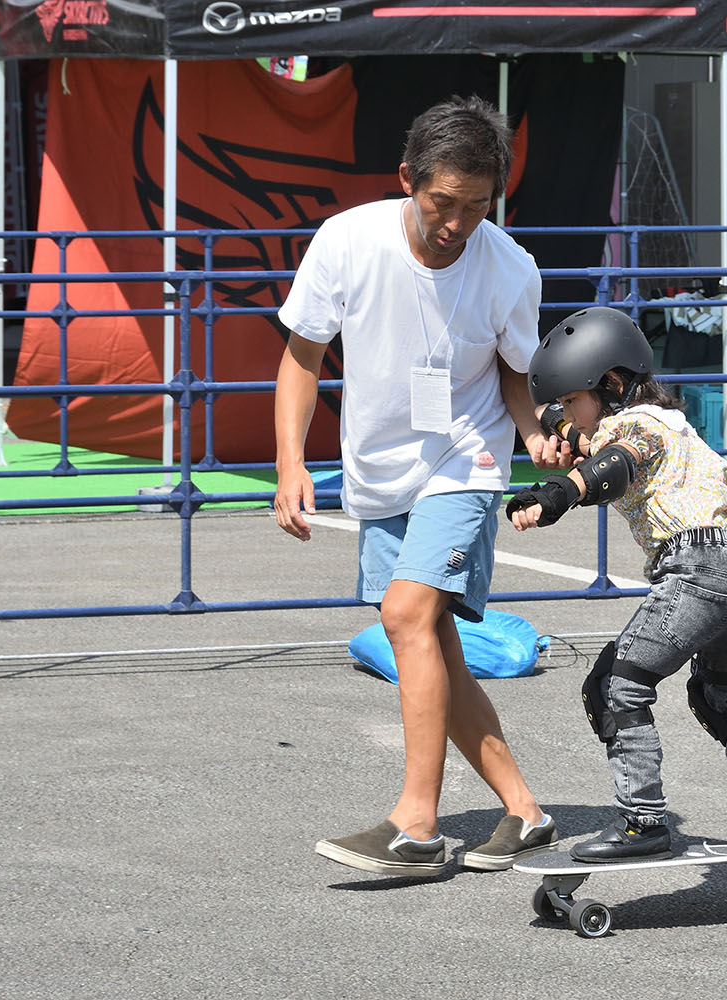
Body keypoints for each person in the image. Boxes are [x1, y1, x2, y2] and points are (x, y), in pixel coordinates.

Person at [273, 96, 574, 878]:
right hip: (379, 470)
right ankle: (526, 811)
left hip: (465, 461)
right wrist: (290, 463)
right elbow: (302, 357)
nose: (458, 223)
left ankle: (417, 827)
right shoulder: (348, 241)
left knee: (408, 617)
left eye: (477, 207)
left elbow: (515, 376)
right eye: (444, 202)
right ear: (407, 179)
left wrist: (536, 433)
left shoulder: (510, 266)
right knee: (432, 645)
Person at [506, 306, 727, 861]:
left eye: (576, 399)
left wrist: (553, 495)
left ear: (613, 384)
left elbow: (614, 462)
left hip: (701, 568)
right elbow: (575, 429)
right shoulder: (670, 422)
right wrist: (556, 423)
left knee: (616, 688)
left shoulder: (630, 427)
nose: (573, 416)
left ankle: (643, 823)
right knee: (722, 693)